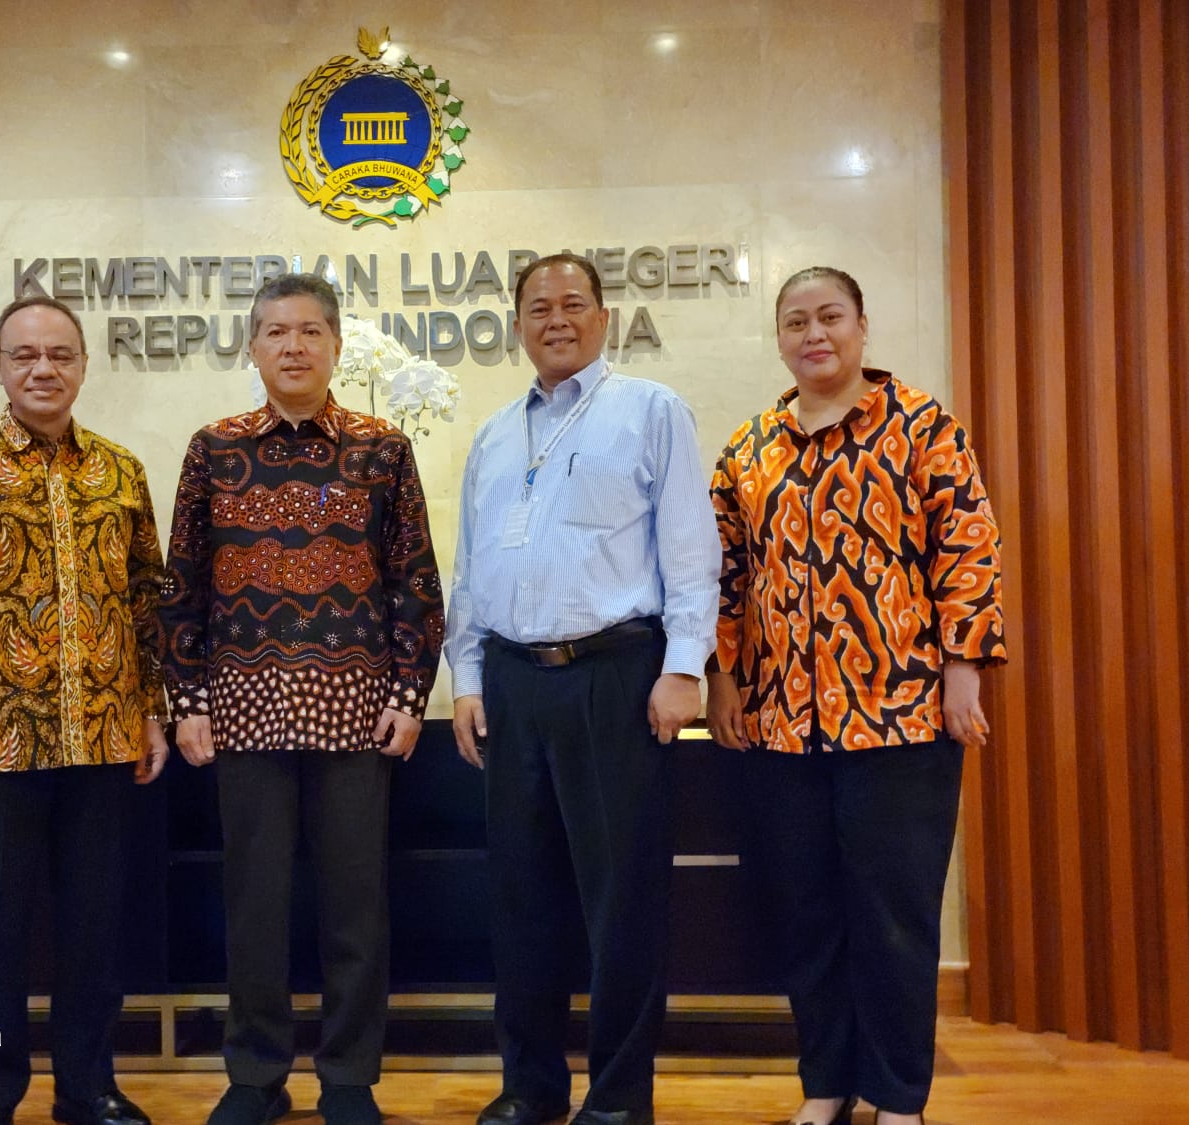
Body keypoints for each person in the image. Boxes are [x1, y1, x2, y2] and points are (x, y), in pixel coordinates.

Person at [705, 266, 1006, 1125]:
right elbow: (724, 574)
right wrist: (722, 675)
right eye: (796, 321)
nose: (815, 334)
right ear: (779, 338)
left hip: (900, 717)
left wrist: (963, 667)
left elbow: (968, 547)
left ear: (862, 326)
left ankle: (898, 1095)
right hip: (780, 726)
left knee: (894, 916)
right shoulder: (749, 449)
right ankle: (826, 1086)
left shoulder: (922, 426)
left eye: (830, 316)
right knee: (805, 913)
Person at [159, 274, 445, 1125]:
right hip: (242, 714)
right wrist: (188, 699)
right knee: (254, 906)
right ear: (251, 347)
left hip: (355, 712)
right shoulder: (214, 449)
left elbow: (415, 583)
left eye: (310, 331)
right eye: (276, 331)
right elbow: (181, 587)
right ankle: (255, 1075)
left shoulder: (381, 448)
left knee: (356, 906)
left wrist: (409, 693)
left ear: (336, 347)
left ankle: (349, 1076)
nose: (294, 346)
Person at [446, 253, 720, 1125]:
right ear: (517, 325)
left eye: (572, 304)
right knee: (521, 896)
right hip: (513, 684)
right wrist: (467, 677)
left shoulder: (650, 409)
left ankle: (617, 1099)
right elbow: (471, 570)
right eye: (538, 307)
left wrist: (685, 665)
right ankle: (529, 1087)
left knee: (621, 900)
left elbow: (690, 548)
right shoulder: (495, 434)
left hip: (615, 675)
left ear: (603, 318)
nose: (556, 319)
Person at [0, 295, 169, 1125]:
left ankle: (87, 1087)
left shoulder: (121, 471)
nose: (43, 368)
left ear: (83, 364)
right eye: (25, 355)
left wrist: (152, 708)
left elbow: (147, 600)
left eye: (59, 354)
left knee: (96, 929)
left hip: (106, 740)